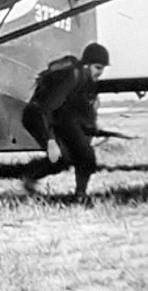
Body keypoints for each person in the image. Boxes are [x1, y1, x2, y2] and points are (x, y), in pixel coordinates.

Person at [21, 42, 110, 203]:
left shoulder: (85, 80)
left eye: (102, 68)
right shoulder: (72, 77)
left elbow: (81, 111)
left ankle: (80, 195)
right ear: (86, 65)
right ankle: (30, 177)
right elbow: (45, 109)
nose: (100, 72)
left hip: (57, 116)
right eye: (97, 67)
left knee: (85, 154)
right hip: (37, 116)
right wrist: (50, 141)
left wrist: (90, 130)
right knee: (61, 158)